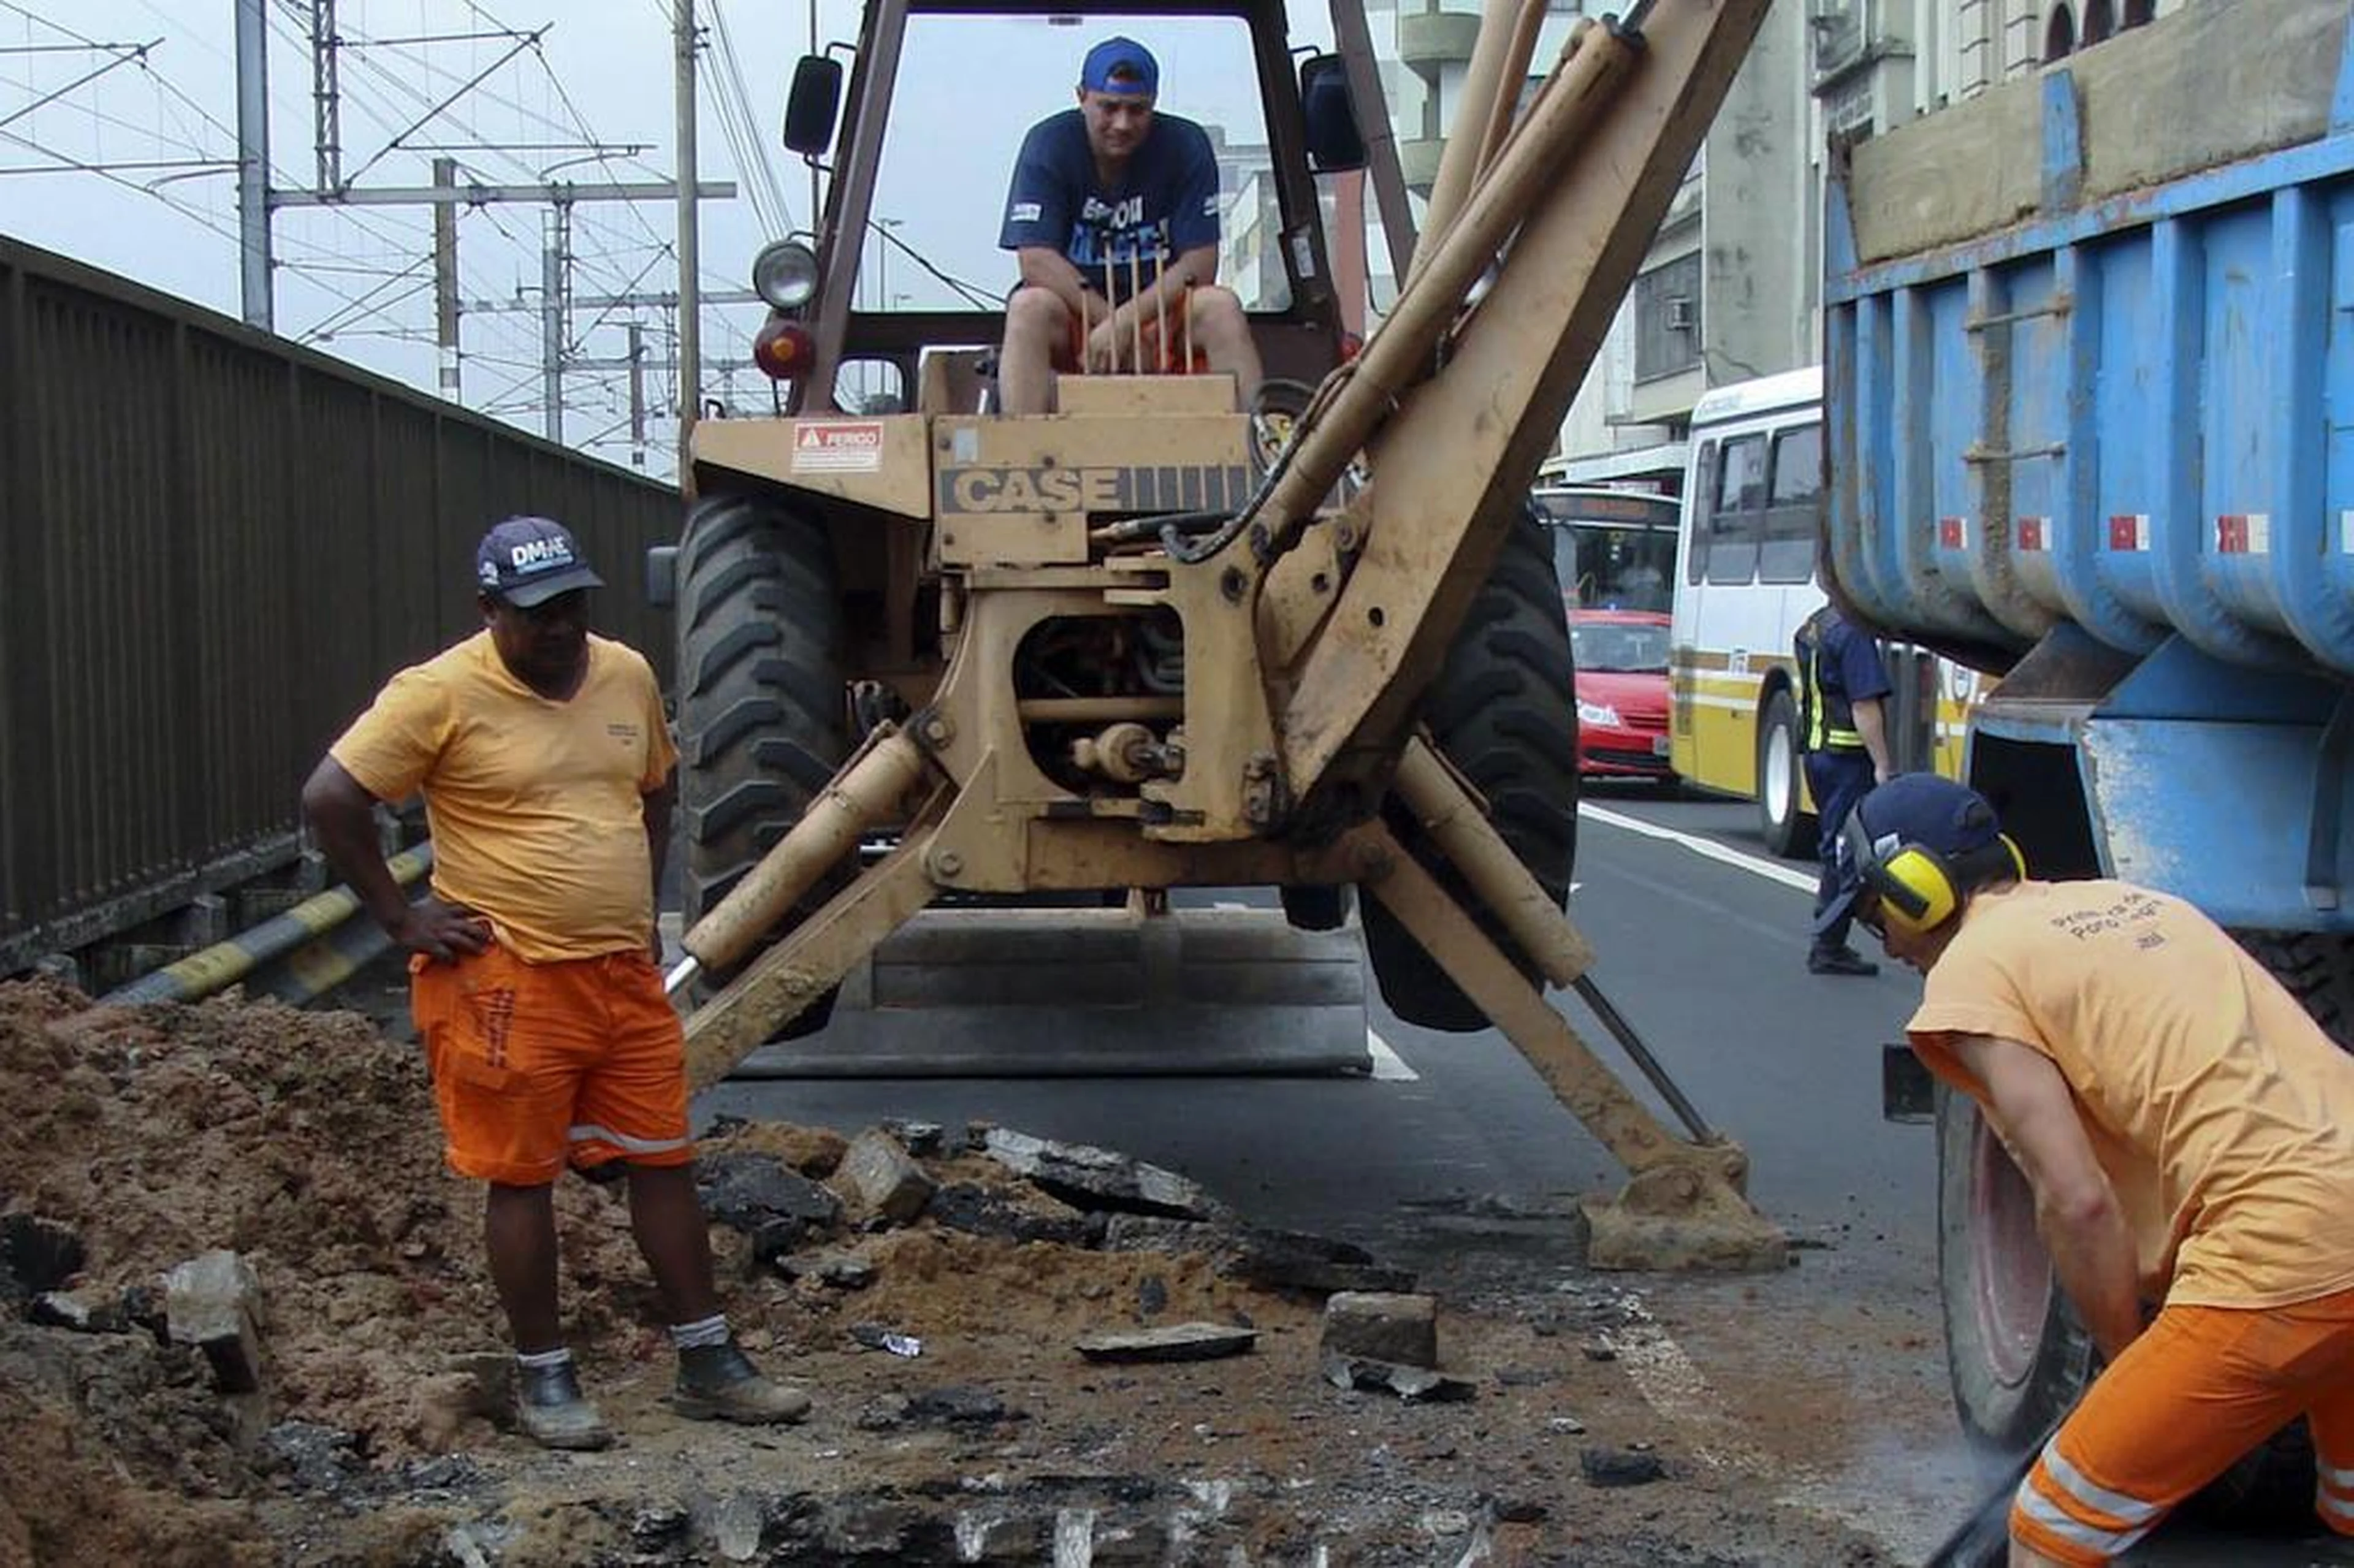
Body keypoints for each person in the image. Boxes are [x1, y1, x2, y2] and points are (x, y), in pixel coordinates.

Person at [300, 516, 810, 1451]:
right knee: (522, 1177)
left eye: (573, 605)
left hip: (619, 975)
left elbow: (654, 788)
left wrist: (634, 902)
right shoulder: (438, 695)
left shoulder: (625, 674)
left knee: (662, 1158)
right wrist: (401, 918)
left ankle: (709, 1361)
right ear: (490, 610)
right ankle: (545, 1377)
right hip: (506, 979)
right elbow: (331, 799)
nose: (561, 628)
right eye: (537, 614)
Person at [1830, 772, 2354, 1567]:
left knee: (2051, 1528)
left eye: (1878, 919)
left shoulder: (1974, 969)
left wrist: (2123, 1351)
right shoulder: (2145, 906)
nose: (1890, 945)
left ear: (1917, 893)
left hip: (2288, 1249)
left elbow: (2076, 1200)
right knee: (2350, 1495)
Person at [996, 35, 1263, 416]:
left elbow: (1200, 264)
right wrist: (1109, 323)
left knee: (1221, 306)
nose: (1122, 124)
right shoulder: (1048, 144)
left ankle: (1262, 450)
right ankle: (1020, 452)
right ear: (1082, 97)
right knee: (1028, 307)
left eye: (1137, 110)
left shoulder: (1186, 146)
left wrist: (1129, 324)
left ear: (1153, 103)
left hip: (1160, 317)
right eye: (1109, 108)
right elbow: (1036, 260)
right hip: (1078, 317)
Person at [1794, 602, 1893, 975]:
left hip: (1819, 755)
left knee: (1835, 844)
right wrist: (1883, 763)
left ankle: (1831, 940)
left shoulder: (1815, 624)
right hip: (1846, 759)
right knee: (1846, 851)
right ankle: (1828, 943)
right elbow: (1864, 705)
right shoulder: (1853, 634)